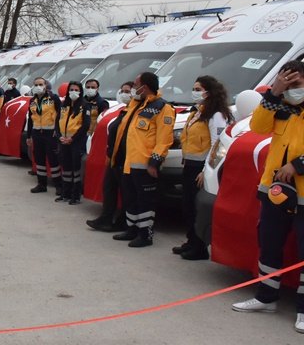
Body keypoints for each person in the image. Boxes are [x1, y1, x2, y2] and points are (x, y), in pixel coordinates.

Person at [232, 62, 304, 333]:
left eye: (296, 85)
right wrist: (274, 93)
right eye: (287, 84)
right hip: (274, 190)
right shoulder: (280, 105)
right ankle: (266, 298)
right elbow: (259, 127)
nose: (291, 90)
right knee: (270, 243)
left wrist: (298, 165)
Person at [110, 72, 175, 248]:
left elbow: (164, 139)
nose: (132, 88)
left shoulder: (162, 107)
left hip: (145, 164)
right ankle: (131, 229)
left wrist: (154, 162)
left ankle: (145, 234)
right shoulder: (136, 104)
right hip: (128, 162)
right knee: (130, 198)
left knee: (145, 201)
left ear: (144, 87)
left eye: (135, 85)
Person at [175, 75, 232, 260]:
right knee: (187, 206)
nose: (195, 92)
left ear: (209, 91)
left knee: (197, 208)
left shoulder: (216, 115)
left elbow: (217, 143)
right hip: (189, 164)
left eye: (198, 89)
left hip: (201, 167)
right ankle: (191, 241)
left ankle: (199, 247)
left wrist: (206, 169)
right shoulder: (197, 112)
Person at [86, 82, 136, 232]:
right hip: (113, 156)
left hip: (126, 157)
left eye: (128, 91)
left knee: (126, 191)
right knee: (109, 188)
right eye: (123, 91)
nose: (124, 94)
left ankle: (123, 221)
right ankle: (106, 218)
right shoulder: (120, 110)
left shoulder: (135, 110)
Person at [56, 81, 91, 205]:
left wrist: (73, 138)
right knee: (66, 168)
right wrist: (59, 136)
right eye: (71, 89)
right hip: (63, 141)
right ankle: (65, 193)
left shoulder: (85, 105)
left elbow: (86, 125)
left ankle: (75, 196)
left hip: (76, 142)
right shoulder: (64, 105)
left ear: (80, 91)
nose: (73, 92)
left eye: (76, 90)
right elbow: (57, 122)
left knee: (75, 169)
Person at [28, 77, 62, 194]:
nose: (38, 87)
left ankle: (58, 185)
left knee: (53, 160)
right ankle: (41, 184)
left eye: (41, 84)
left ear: (45, 85)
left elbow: (60, 116)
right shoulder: (32, 101)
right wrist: (28, 136)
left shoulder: (53, 98)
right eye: (36, 84)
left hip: (50, 133)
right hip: (37, 133)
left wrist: (57, 131)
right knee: (39, 159)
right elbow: (30, 119)